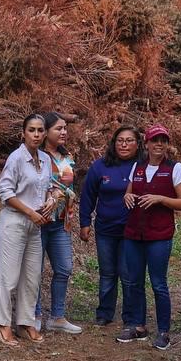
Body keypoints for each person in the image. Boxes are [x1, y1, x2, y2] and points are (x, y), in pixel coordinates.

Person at [118, 124, 181, 349]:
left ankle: (163, 330)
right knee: (134, 281)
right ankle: (139, 326)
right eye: (154, 140)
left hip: (159, 235)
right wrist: (127, 197)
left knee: (158, 283)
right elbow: (129, 191)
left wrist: (160, 198)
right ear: (147, 144)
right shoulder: (138, 167)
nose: (159, 144)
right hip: (134, 233)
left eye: (163, 140)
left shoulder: (174, 168)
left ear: (167, 144)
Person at [0, 114, 52, 347]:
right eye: (32, 130)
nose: (36, 134)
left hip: (36, 224)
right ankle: (1, 324)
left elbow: (46, 186)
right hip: (15, 221)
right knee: (9, 276)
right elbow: (4, 191)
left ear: (45, 133)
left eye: (40, 130)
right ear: (23, 133)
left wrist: (50, 199)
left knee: (32, 276)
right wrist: (29, 212)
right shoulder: (16, 158)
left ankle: (26, 322)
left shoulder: (46, 159)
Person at [80, 126, 139, 326]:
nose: (124, 144)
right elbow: (88, 195)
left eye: (129, 140)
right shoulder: (100, 167)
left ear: (138, 144)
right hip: (105, 229)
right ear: (114, 143)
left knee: (128, 274)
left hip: (131, 231)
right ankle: (104, 313)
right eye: (120, 140)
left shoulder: (142, 167)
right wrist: (85, 222)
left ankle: (130, 316)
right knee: (107, 273)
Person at [34, 113, 82, 334]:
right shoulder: (37, 156)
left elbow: (67, 186)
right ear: (46, 132)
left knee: (64, 268)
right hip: (39, 220)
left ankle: (57, 317)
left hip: (61, 222)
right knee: (34, 270)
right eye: (58, 129)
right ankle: (32, 316)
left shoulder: (67, 156)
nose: (64, 132)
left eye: (65, 128)